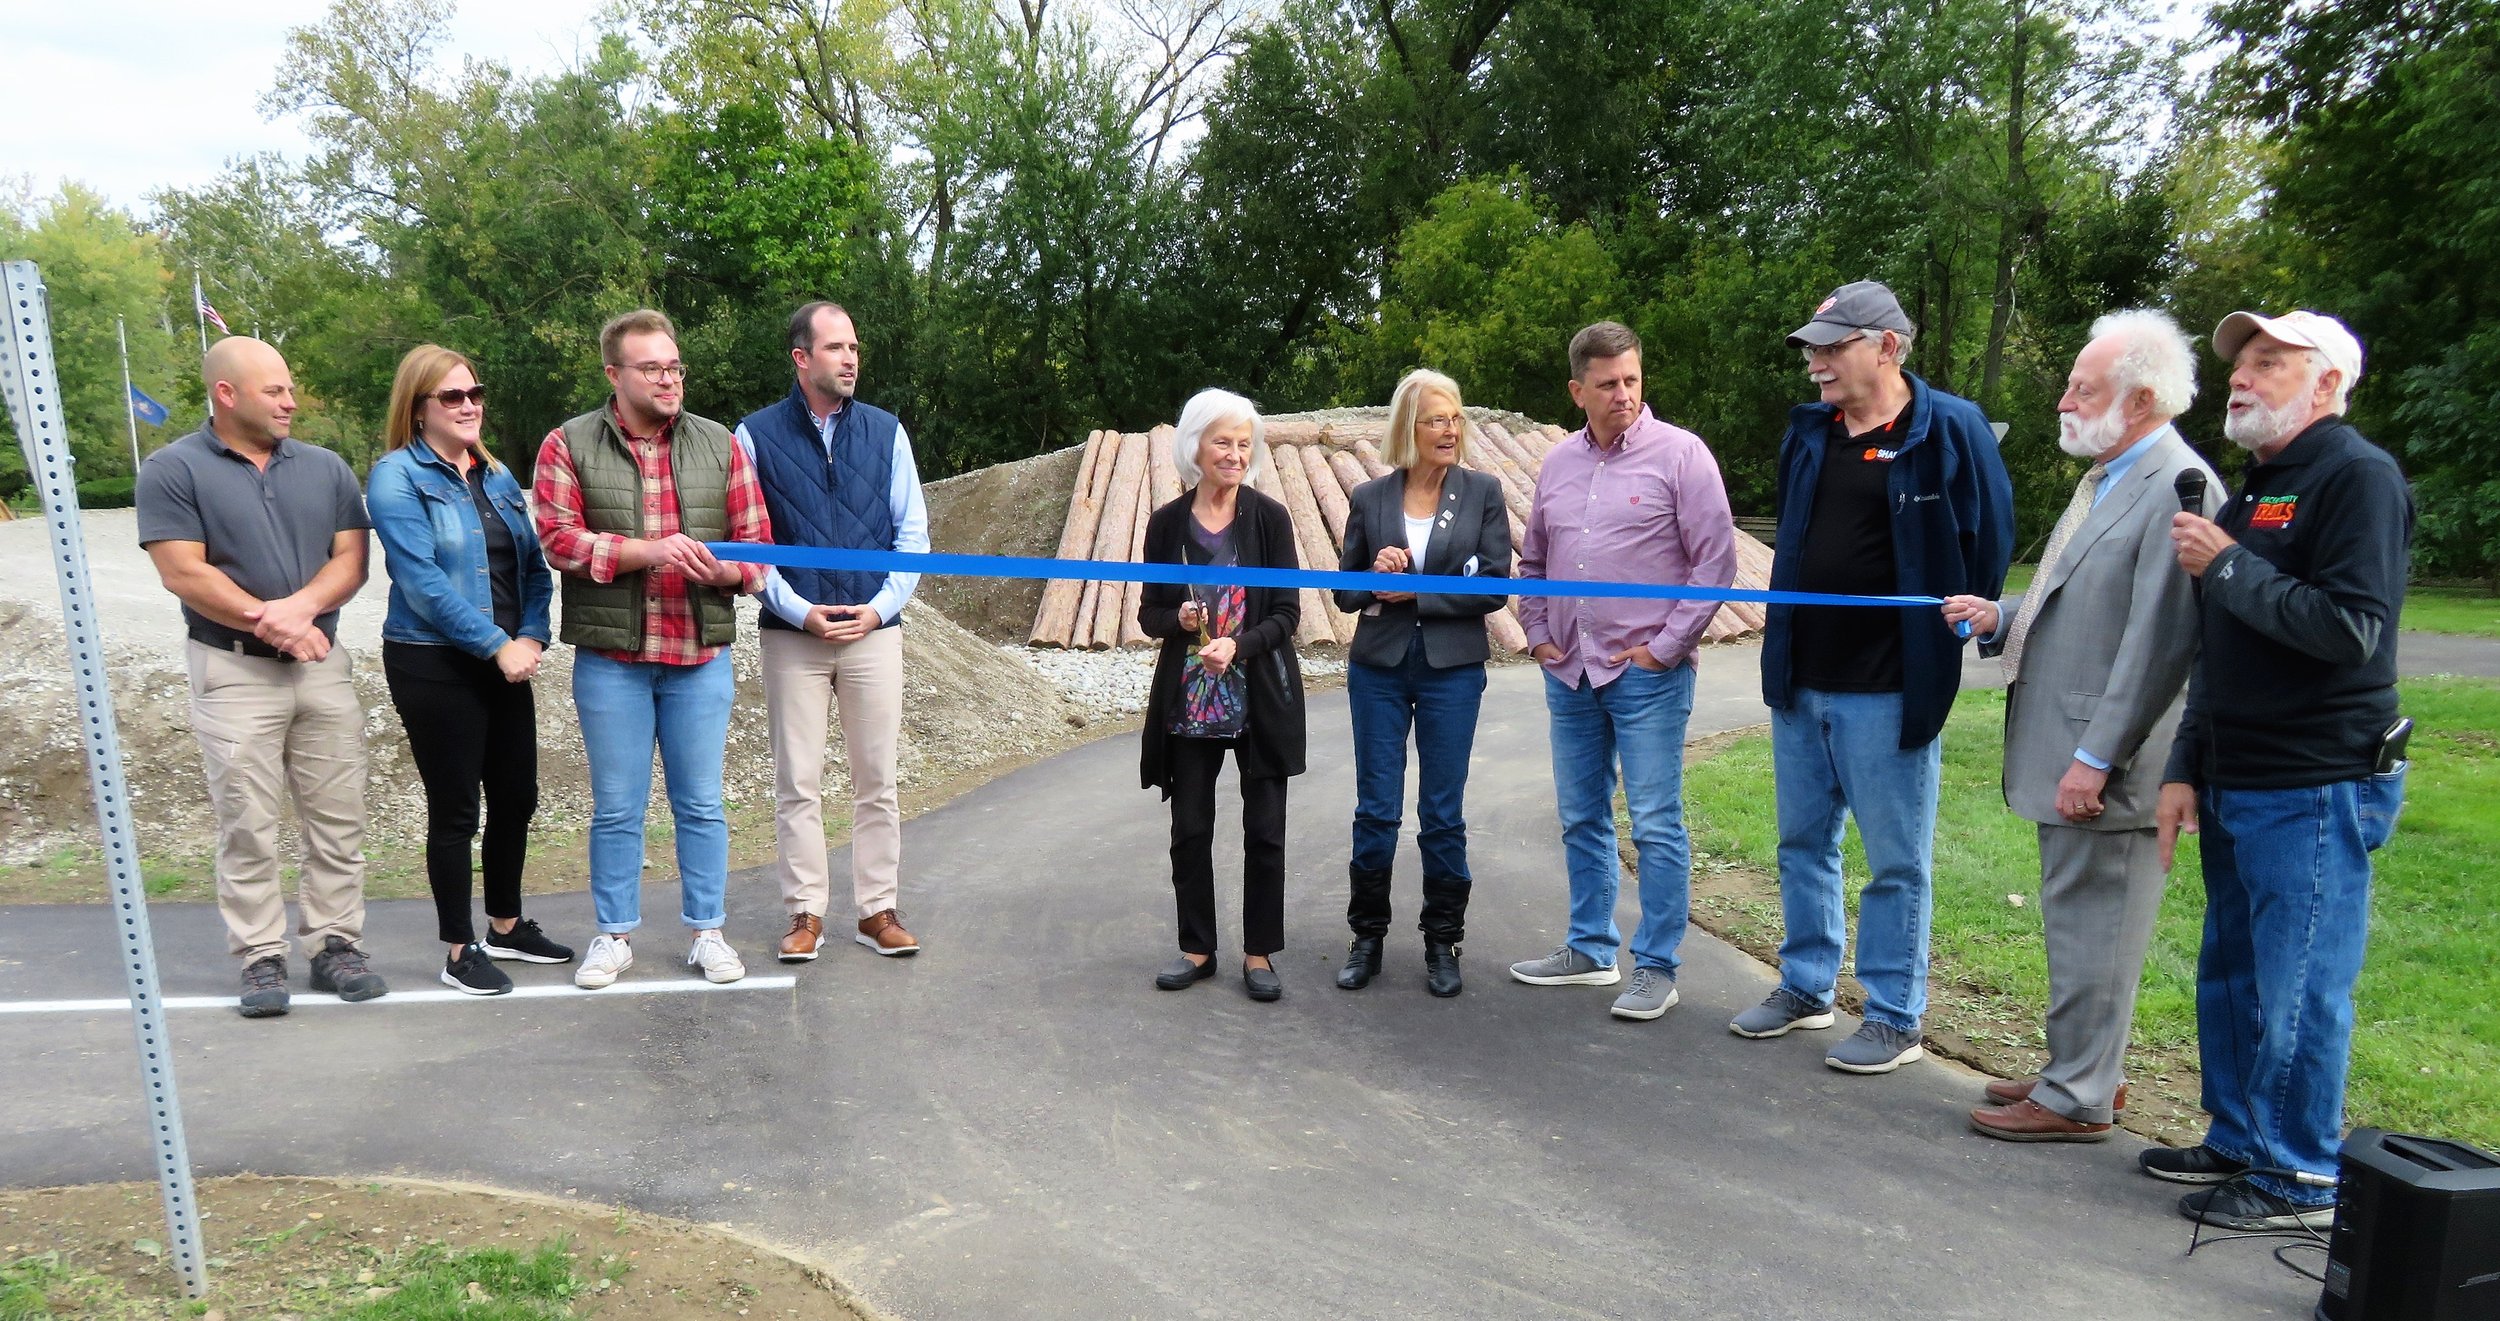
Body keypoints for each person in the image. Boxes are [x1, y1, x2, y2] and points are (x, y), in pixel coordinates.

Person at [2147, 310, 2412, 1232]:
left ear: (2329, 383)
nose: (2243, 378)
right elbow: (2220, 648)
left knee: (2298, 984)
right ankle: (2239, 1135)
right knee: (2231, 971)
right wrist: (2186, 763)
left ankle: (2298, 1174)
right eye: (2241, 365)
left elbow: (2352, 631)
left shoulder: (2357, 478)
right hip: (2235, 773)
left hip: (2317, 779)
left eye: (2269, 363)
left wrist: (2227, 568)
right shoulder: (2257, 490)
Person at [1940, 310, 2219, 1139]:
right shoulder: (2113, 473)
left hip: (2111, 761)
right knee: (2077, 918)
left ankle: (2078, 1098)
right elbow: (2084, 602)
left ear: (2137, 400)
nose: (2062, 399)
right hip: (2078, 747)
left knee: (2102, 923)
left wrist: (2095, 757)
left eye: (2080, 387)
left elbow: (2159, 643)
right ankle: (2081, 1068)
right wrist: (2002, 615)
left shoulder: (2174, 483)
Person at [1739, 281, 2013, 1072]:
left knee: (1896, 860)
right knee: (1801, 841)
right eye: (1812, 350)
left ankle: (1896, 1014)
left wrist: (1953, 631)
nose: (1815, 365)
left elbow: (1989, 542)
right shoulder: (1811, 432)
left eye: (1832, 348)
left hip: (1891, 685)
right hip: (1802, 677)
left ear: (1887, 346)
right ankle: (1805, 985)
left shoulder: (1950, 428)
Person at [136, 336, 388, 1017]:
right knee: (246, 822)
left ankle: (335, 943)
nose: (290, 400)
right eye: (274, 390)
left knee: (337, 818)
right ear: (227, 394)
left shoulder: (327, 468)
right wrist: (268, 620)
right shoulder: (173, 469)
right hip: (233, 669)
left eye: (289, 388)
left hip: (319, 664)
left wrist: (301, 611)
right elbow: (182, 570)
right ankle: (260, 955)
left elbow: (351, 560)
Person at [533, 309, 773, 990]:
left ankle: (707, 933)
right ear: (614, 374)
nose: (669, 379)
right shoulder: (567, 443)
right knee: (617, 806)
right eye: (652, 368)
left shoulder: (721, 444)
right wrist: (646, 552)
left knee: (700, 803)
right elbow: (559, 540)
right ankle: (613, 936)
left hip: (700, 655)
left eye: (675, 367)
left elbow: (757, 549)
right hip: (613, 662)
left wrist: (726, 573)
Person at [1506, 322, 1739, 1021]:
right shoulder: (1557, 464)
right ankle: (1589, 948)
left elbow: (1715, 565)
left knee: (1657, 822)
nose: (1624, 395)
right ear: (1578, 390)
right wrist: (1540, 634)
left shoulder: (1682, 457)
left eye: (1632, 380)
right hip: (1571, 670)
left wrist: (1664, 647)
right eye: (1607, 384)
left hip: (1647, 675)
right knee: (1581, 815)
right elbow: (1535, 562)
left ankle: (1657, 966)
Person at [366, 345, 574, 997]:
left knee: (517, 796)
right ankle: (459, 949)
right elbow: (422, 582)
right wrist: (495, 642)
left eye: (475, 393)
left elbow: (534, 568)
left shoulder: (497, 475)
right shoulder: (397, 477)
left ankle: (506, 925)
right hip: (434, 662)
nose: (469, 405)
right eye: (452, 396)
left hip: (507, 659)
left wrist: (533, 634)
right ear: (419, 407)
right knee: (457, 810)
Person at [735, 302, 930, 963]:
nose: (850, 358)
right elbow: (749, 544)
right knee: (799, 780)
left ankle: (877, 911)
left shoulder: (887, 432)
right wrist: (799, 611)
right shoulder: (754, 436)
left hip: (876, 631)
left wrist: (879, 609)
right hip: (794, 635)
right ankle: (806, 914)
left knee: (878, 777)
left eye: (855, 346)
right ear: (801, 358)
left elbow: (913, 537)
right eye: (836, 347)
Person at [1331, 369, 1512, 997]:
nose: (1450, 430)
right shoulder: (1371, 497)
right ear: (1409, 426)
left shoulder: (1483, 492)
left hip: (1451, 669)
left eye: (1456, 418)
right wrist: (1375, 572)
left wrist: (1421, 589)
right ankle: (1367, 938)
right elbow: (1346, 590)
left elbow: (1494, 585)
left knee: (1441, 812)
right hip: (1378, 666)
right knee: (1376, 809)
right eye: (1437, 419)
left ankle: (1443, 942)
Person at [1136, 389, 1307, 1002]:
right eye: (1222, 443)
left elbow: (1288, 613)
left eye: (1243, 444)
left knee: (1265, 830)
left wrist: (1240, 644)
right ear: (1195, 447)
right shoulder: (1166, 524)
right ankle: (1196, 948)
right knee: (1190, 828)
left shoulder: (1270, 519)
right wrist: (1177, 621)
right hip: (1187, 702)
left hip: (1258, 698)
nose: (1235, 455)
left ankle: (1259, 953)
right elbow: (1147, 614)